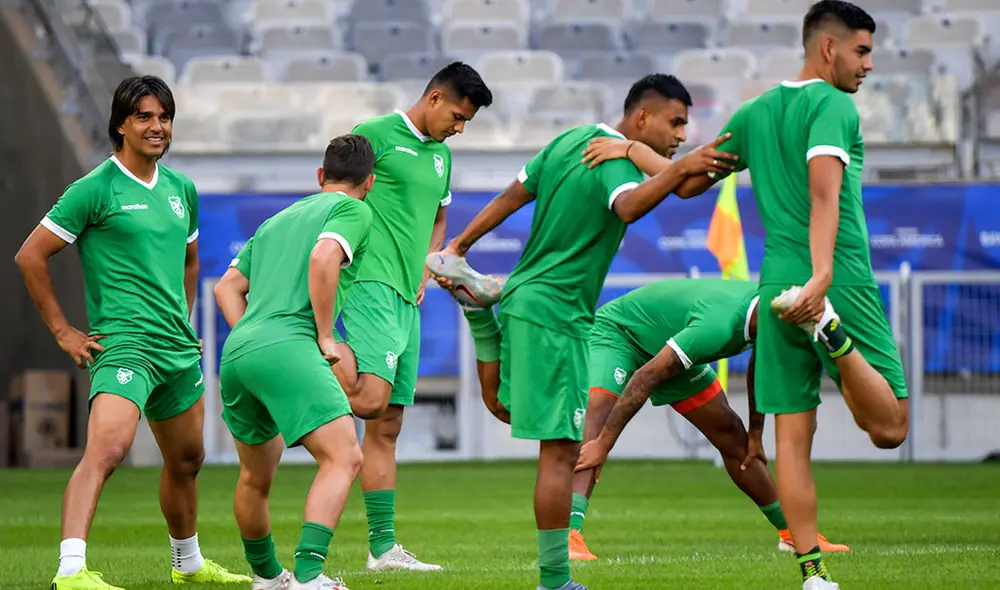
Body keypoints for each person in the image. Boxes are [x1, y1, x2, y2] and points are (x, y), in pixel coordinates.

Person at [581, 3, 909, 588]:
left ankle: (813, 574)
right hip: (836, 280)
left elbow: (688, 182)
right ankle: (834, 336)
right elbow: (825, 195)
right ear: (828, 48)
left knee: (789, 443)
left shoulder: (756, 113)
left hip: (775, 286)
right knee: (890, 428)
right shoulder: (834, 105)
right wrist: (823, 278)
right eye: (862, 51)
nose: (869, 64)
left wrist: (632, 151)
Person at [425, 73, 740, 590]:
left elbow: (512, 195)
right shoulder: (611, 159)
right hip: (557, 312)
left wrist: (459, 245)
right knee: (560, 449)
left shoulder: (569, 140)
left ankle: (480, 311)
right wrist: (660, 159)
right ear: (643, 115)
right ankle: (555, 580)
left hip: (526, 297)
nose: (682, 135)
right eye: (676, 122)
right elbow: (631, 206)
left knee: (507, 406)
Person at [14, 75, 250, 590]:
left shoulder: (181, 189)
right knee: (107, 451)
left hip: (176, 348)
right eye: (144, 116)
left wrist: (183, 319)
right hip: (124, 344)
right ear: (121, 124)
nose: (157, 126)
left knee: (187, 460)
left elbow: (189, 259)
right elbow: (30, 256)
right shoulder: (94, 189)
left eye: (164, 117)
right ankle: (70, 572)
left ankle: (187, 564)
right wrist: (63, 332)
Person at [328, 61, 493, 573]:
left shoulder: (443, 156)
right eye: (458, 116)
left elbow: (439, 216)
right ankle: (302, 368)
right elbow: (334, 197)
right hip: (367, 283)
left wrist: (428, 261)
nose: (459, 128)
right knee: (370, 400)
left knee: (388, 422)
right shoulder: (374, 133)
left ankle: (382, 550)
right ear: (435, 98)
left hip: (407, 297)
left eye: (467, 122)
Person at [570, 279, 848, 561]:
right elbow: (646, 377)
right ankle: (568, 535)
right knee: (598, 415)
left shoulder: (765, 316)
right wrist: (603, 444)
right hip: (619, 334)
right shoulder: (717, 326)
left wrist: (755, 434)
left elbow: (759, 368)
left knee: (731, 433)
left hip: (668, 347)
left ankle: (792, 533)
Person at [212, 135, 376, 590]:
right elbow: (324, 256)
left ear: (321, 176)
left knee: (254, 476)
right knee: (344, 457)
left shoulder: (276, 221)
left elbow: (226, 288)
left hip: (239, 351)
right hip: (291, 344)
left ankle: (268, 577)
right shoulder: (354, 209)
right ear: (369, 183)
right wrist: (324, 335)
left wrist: (255, 337)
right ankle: (308, 576)